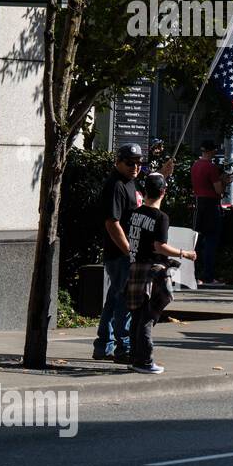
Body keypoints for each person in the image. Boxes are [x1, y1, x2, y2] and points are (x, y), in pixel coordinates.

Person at [122, 173, 194, 375]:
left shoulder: (136, 214)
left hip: (135, 267)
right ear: (163, 192)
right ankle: (144, 361)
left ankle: (134, 357)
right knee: (147, 315)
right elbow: (159, 246)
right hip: (151, 270)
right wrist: (184, 253)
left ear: (144, 191)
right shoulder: (161, 218)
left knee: (137, 314)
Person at [92, 144, 143, 363]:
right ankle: (124, 347)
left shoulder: (128, 182)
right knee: (124, 301)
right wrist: (129, 251)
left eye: (139, 163)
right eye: (130, 163)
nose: (135, 167)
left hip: (125, 253)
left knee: (114, 300)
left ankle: (104, 345)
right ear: (118, 162)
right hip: (120, 253)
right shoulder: (115, 186)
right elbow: (112, 223)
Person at [190, 140, 225, 286]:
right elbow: (218, 190)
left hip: (199, 203)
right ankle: (208, 276)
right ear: (211, 151)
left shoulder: (195, 165)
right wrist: (225, 182)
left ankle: (193, 274)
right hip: (211, 205)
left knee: (196, 241)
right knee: (211, 241)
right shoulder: (211, 167)